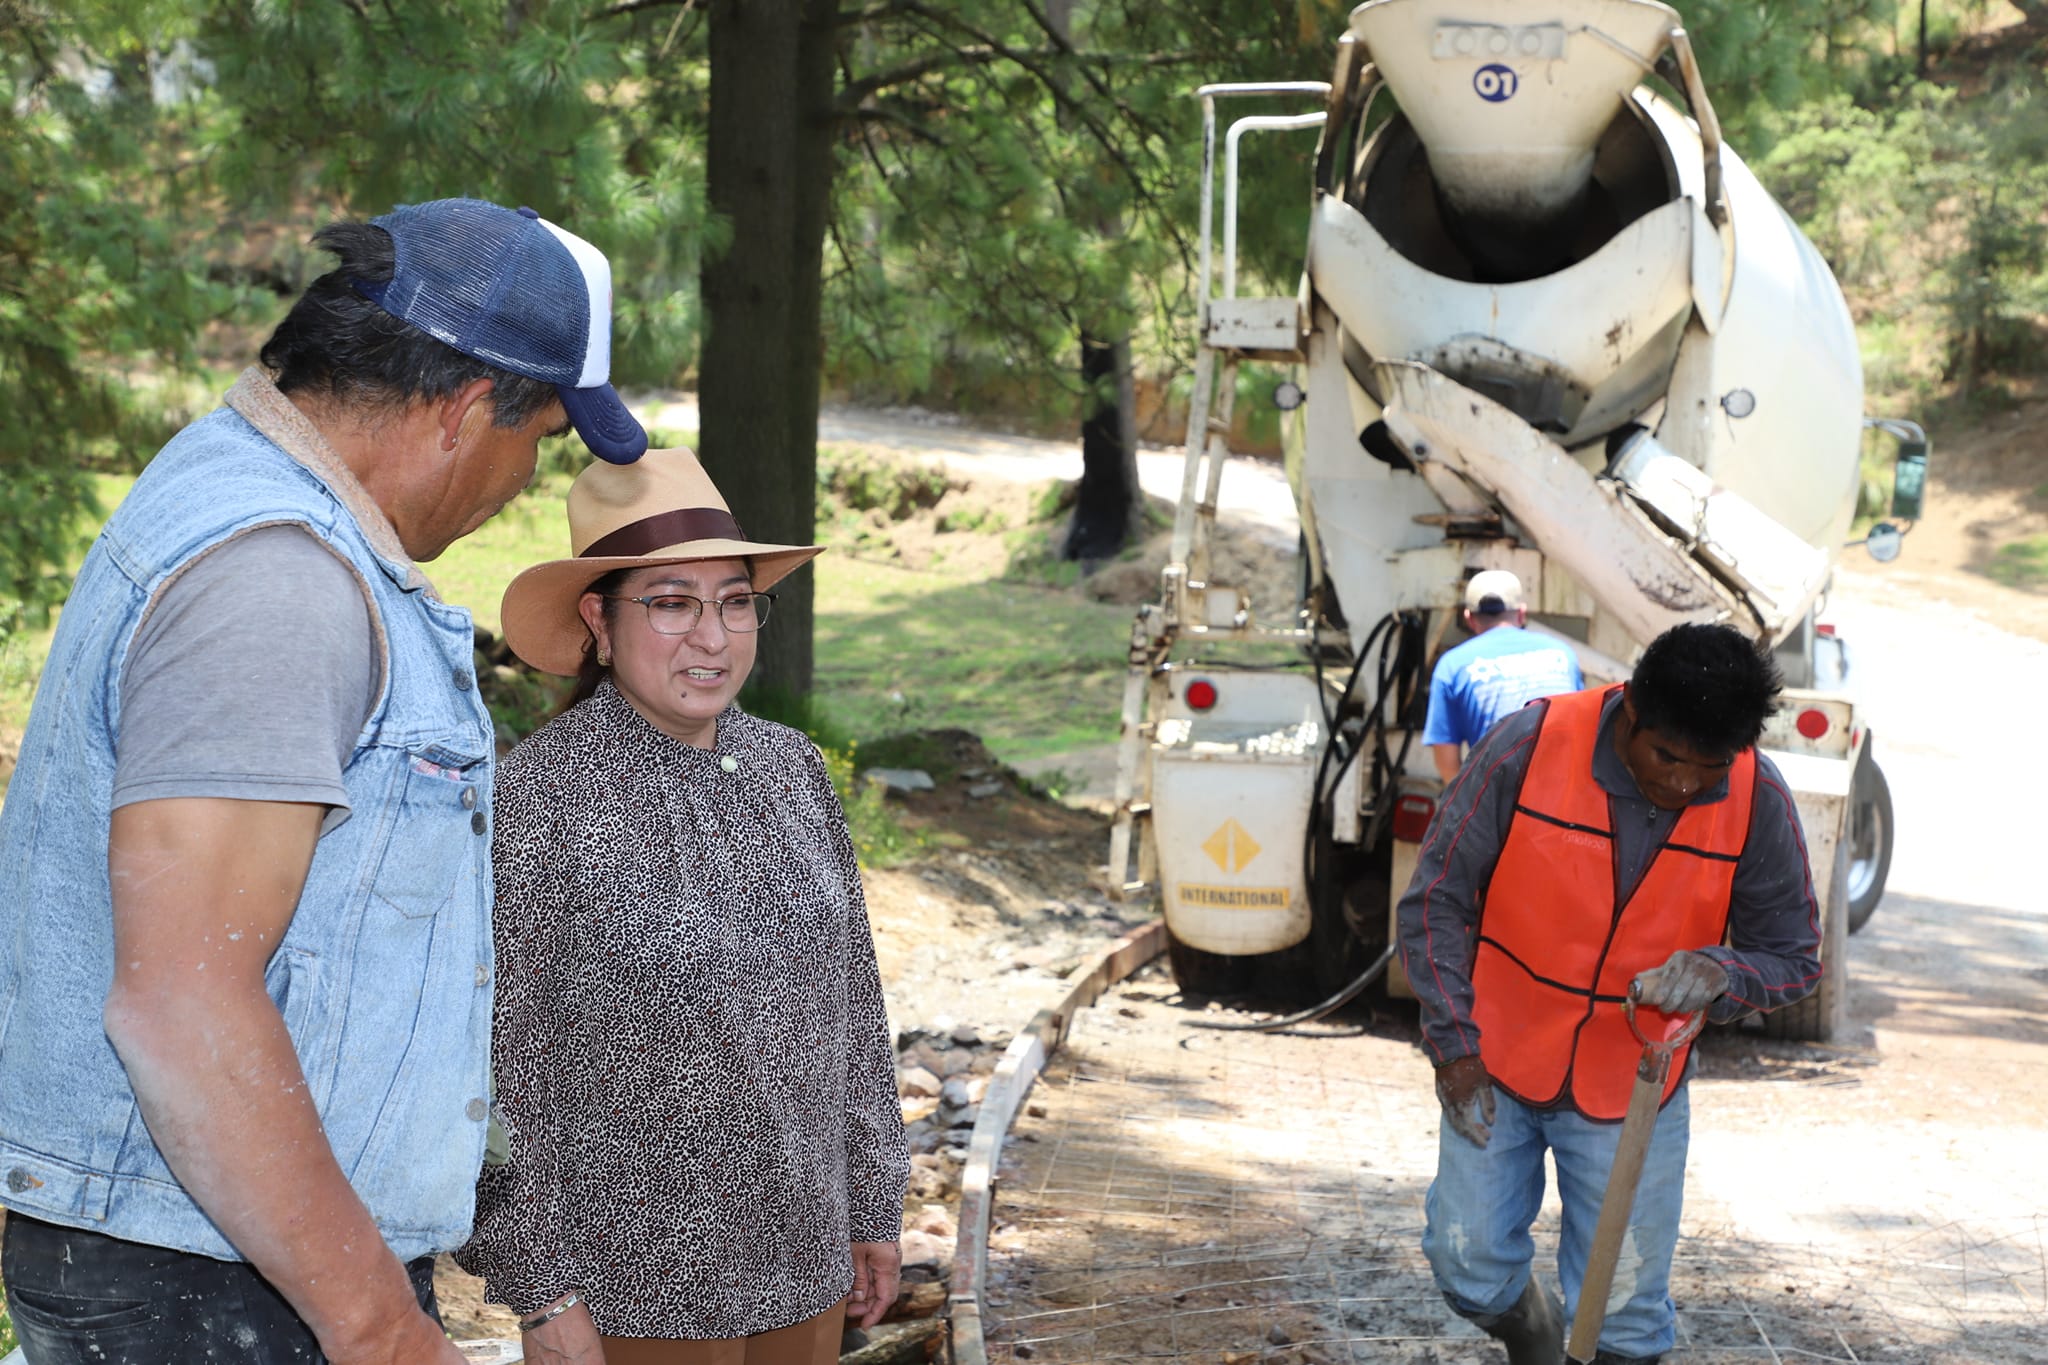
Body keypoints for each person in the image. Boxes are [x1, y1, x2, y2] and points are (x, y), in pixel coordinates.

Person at [0, 198, 647, 1365]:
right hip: (208, 1288)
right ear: (461, 413)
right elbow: (185, 1010)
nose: (523, 480)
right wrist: (382, 1331)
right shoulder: (277, 585)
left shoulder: (248, 505)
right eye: (542, 439)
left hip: (236, 1262)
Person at [456, 448, 910, 1365]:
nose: (713, 637)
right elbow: (496, 1066)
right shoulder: (540, 800)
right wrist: (539, 1287)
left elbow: (852, 1009)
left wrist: (873, 1201)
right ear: (600, 619)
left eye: (735, 600)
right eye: (671, 602)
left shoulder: (793, 769)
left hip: (805, 1260)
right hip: (636, 1293)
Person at [1397, 622, 1822, 1365]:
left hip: (1636, 1086)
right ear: (1629, 710)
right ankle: (1533, 1334)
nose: (1685, 782)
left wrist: (1725, 971)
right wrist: (1454, 1048)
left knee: (1625, 1312)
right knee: (1467, 1264)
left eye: (1708, 766)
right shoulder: (1527, 747)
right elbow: (1435, 900)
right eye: (1667, 755)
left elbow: (1792, 954)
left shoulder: (1757, 795)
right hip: (1497, 1058)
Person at [1423, 569, 1583, 782]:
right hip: (1563, 797)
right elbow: (1584, 732)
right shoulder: (1564, 654)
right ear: (1521, 613)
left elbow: (1447, 764)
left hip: (1499, 801)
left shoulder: (1452, 666)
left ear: (1469, 618)